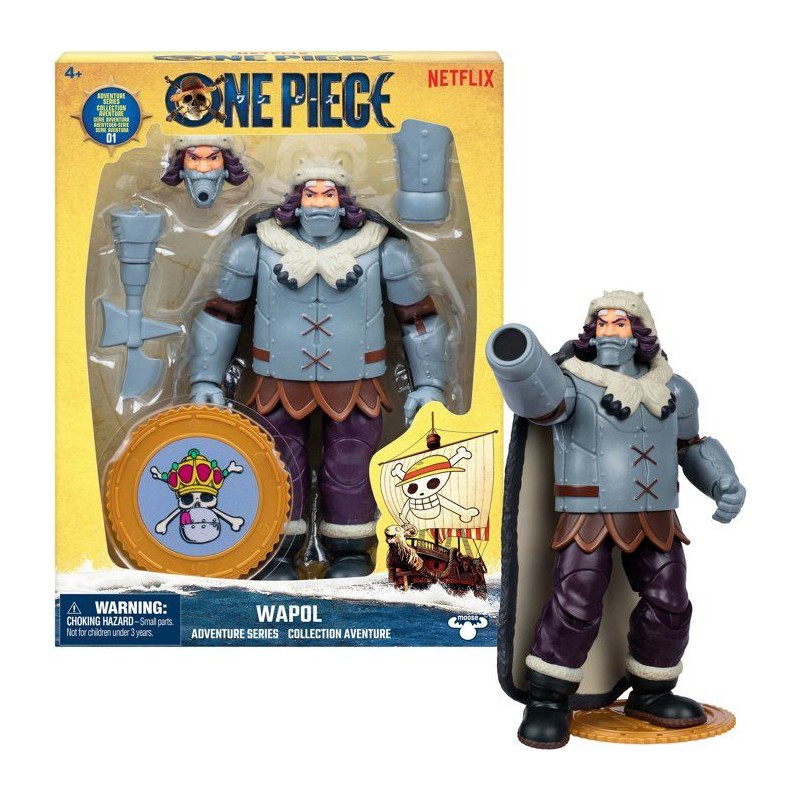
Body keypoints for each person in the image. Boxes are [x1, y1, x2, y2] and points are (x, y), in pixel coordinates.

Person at [486, 290, 746, 748]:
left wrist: (723, 481)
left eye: (619, 323)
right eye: (601, 323)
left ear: (639, 332)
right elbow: (536, 400)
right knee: (576, 600)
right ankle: (547, 699)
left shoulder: (675, 389)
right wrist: (518, 359)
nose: (609, 331)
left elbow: (690, 446)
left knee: (670, 600)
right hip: (586, 517)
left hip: (656, 517)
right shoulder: (573, 383)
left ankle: (653, 689)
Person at [188, 158, 448, 579]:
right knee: (279, 465)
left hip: (356, 384)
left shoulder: (385, 252)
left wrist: (430, 384)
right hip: (275, 383)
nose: (321, 203)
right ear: (296, 201)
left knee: (351, 465)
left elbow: (420, 320)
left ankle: (350, 551)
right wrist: (205, 377)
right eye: (311, 194)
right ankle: (276, 549)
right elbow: (221, 315)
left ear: (345, 202)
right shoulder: (255, 249)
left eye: (329, 194)